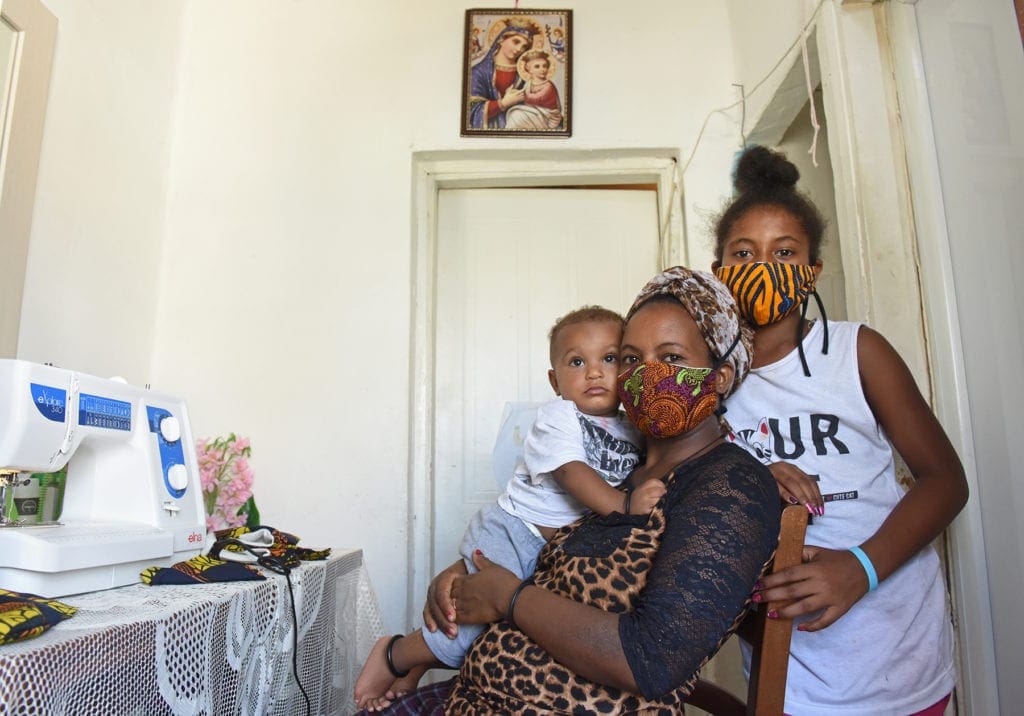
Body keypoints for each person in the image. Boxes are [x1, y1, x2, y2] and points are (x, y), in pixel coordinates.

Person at [362, 267, 782, 714]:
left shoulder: (731, 484)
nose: (648, 374)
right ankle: (401, 657)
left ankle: (398, 656)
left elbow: (653, 661)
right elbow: (542, 534)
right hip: (473, 693)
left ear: (718, 378)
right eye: (632, 359)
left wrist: (507, 597)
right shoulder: (621, 466)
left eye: (673, 358)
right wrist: (461, 574)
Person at [711, 145, 969, 716]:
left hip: (899, 660)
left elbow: (946, 480)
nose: (763, 268)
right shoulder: (705, 384)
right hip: (790, 679)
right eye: (743, 253)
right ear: (719, 270)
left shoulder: (856, 351)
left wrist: (862, 567)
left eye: (785, 253)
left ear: (812, 270)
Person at [355, 306, 654, 710]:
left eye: (610, 358)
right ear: (555, 380)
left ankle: (416, 663)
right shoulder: (559, 417)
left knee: (504, 629)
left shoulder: (632, 427)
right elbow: (572, 473)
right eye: (577, 361)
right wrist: (624, 506)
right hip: (515, 529)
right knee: (475, 617)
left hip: (550, 548)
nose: (595, 372)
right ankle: (395, 654)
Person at [466, 17, 541, 130]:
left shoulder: (525, 74)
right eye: (516, 42)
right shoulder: (478, 72)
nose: (519, 49)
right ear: (501, 39)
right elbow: (471, 109)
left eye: (524, 46)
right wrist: (503, 103)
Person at [504, 49, 563, 131]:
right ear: (529, 69)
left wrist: (519, 96)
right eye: (537, 66)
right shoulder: (529, 83)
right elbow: (524, 92)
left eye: (545, 66)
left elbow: (536, 98)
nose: (542, 69)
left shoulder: (548, 85)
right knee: (515, 115)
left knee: (516, 116)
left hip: (547, 115)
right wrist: (512, 93)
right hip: (534, 111)